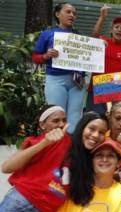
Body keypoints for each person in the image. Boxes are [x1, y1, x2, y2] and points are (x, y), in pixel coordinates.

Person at [0, 105, 70, 212]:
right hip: (21, 200)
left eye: (64, 120)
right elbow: (6, 168)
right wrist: (45, 143)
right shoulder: (34, 141)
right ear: (42, 125)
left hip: (45, 208)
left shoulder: (72, 141)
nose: (61, 124)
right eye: (56, 121)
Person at [32, 3, 83, 133]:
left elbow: (88, 56)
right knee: (56, 114)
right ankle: (55, 147)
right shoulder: (47, 34)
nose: (72, 15)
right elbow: (35, 57)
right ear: (57, 14)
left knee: (75, 117)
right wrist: (45, 56)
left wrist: (100, 45)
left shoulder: (79, 36)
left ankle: (71, 148)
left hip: (77, 81)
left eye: (74, 13)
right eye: (68, 12)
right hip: (55, 80)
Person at [57, 140, 121, 212]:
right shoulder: (76, 189)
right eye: (99, 155)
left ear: (119, 163)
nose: (104, 159)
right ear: (91, 161)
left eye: (110, 155)